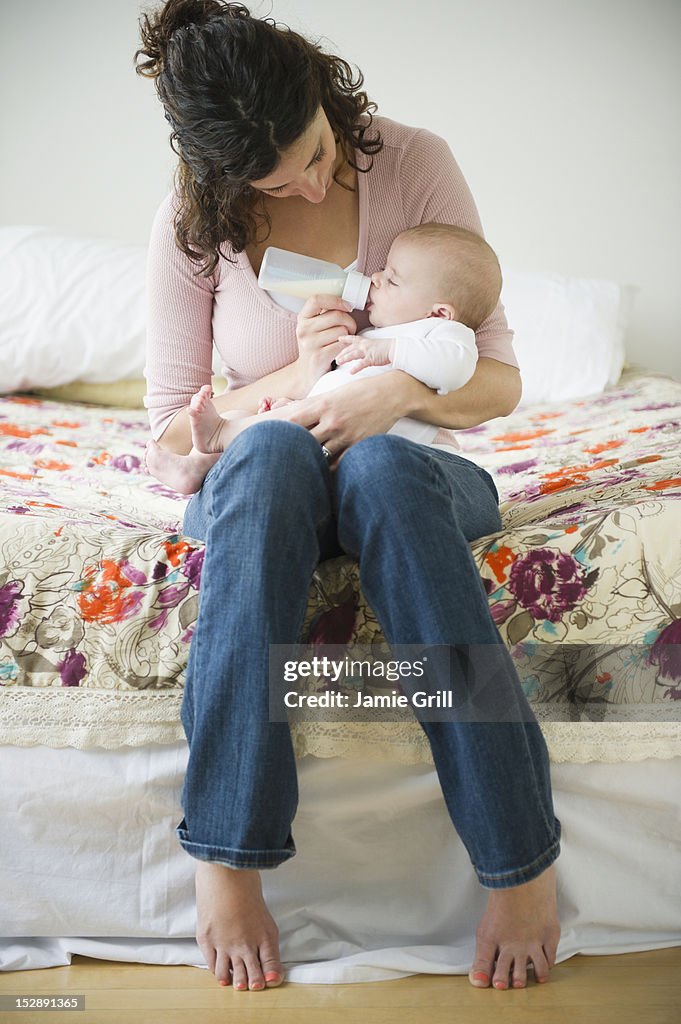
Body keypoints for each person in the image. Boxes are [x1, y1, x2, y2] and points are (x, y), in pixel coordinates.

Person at [136, 0, 562, 996]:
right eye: (278, 180)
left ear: (328, 97)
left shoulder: (415, 162)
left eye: (318, 153)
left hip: (404, 464)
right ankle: (228, 856)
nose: (313, 183)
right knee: (277, 459)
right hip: (263, 471)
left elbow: (498, 380)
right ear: (222, 176)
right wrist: (297, 381)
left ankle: (518, 854)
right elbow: (167, 439)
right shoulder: (191, 224)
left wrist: (400, 390)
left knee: (374, 469)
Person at [145, 222, 499, 495]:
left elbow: (455, 369)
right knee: (248, 421)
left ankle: (219, 436)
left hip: (372, 453)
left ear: (439, 312)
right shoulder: (382, 336)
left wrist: (389, 352)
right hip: (326, 435)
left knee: (255, 432)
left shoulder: (446, 336)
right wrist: (298, 393)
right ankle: (198, 464)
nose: (375, 278)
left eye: (391, 280)